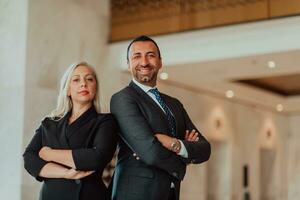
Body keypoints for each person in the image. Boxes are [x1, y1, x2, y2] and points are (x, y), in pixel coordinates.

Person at [110, 35, 211, 200]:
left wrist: (175, 144)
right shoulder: (123, 99)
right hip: (135, 194)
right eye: (137, 56)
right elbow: (150, 152)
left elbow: (205, 148)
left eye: (150, 55)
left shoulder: (174, 104)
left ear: (160, 62)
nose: (144, 62)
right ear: (128, 64)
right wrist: (184, 159)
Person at [23, 62, 118, 200]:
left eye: (89, 79)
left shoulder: (106, 121)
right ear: (67, 90)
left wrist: (49, 154)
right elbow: (29, 158)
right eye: (76, 80)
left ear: (95, 88)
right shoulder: (50, 122)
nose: (83, 84)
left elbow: (97, 157)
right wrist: (65, 173)